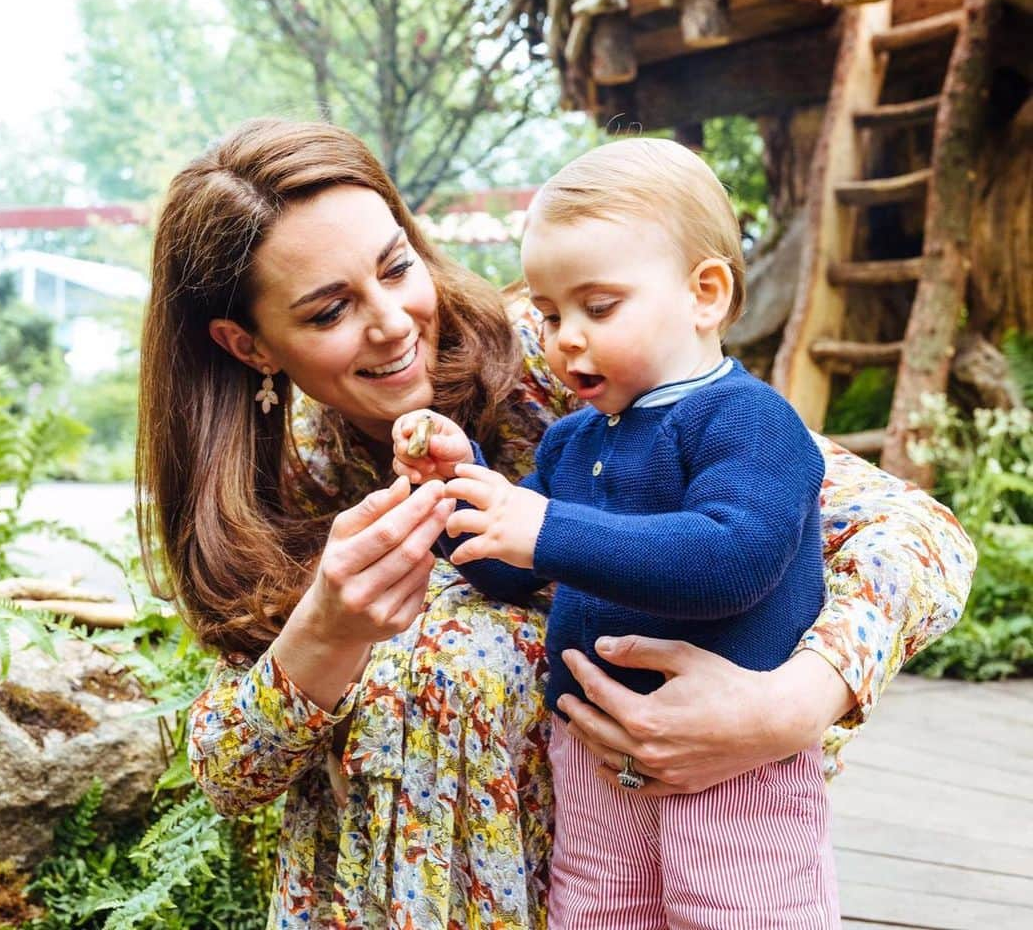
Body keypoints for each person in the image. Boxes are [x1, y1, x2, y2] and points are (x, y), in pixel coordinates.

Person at [137, 117, 975, 930]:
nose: (392, 322)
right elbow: (228, 773)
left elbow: (917, 532)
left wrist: (793, 706)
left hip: (667, 844)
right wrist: (323, 635)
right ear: (248, 346)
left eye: (397, 268)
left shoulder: (574, 359)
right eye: (329, 312)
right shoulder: (271, 491)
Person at [392, 138, 839, 926]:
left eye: (599, 308)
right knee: (599, 912)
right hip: (593, 754)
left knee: (740, 912)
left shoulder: (749, 421)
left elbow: (733, 559)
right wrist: (457, 491)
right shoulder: (572, 441)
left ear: (704, 295)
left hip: (734, 765)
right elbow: (506, 567)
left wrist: (547, 531)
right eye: (552, 313)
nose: (567, 337)